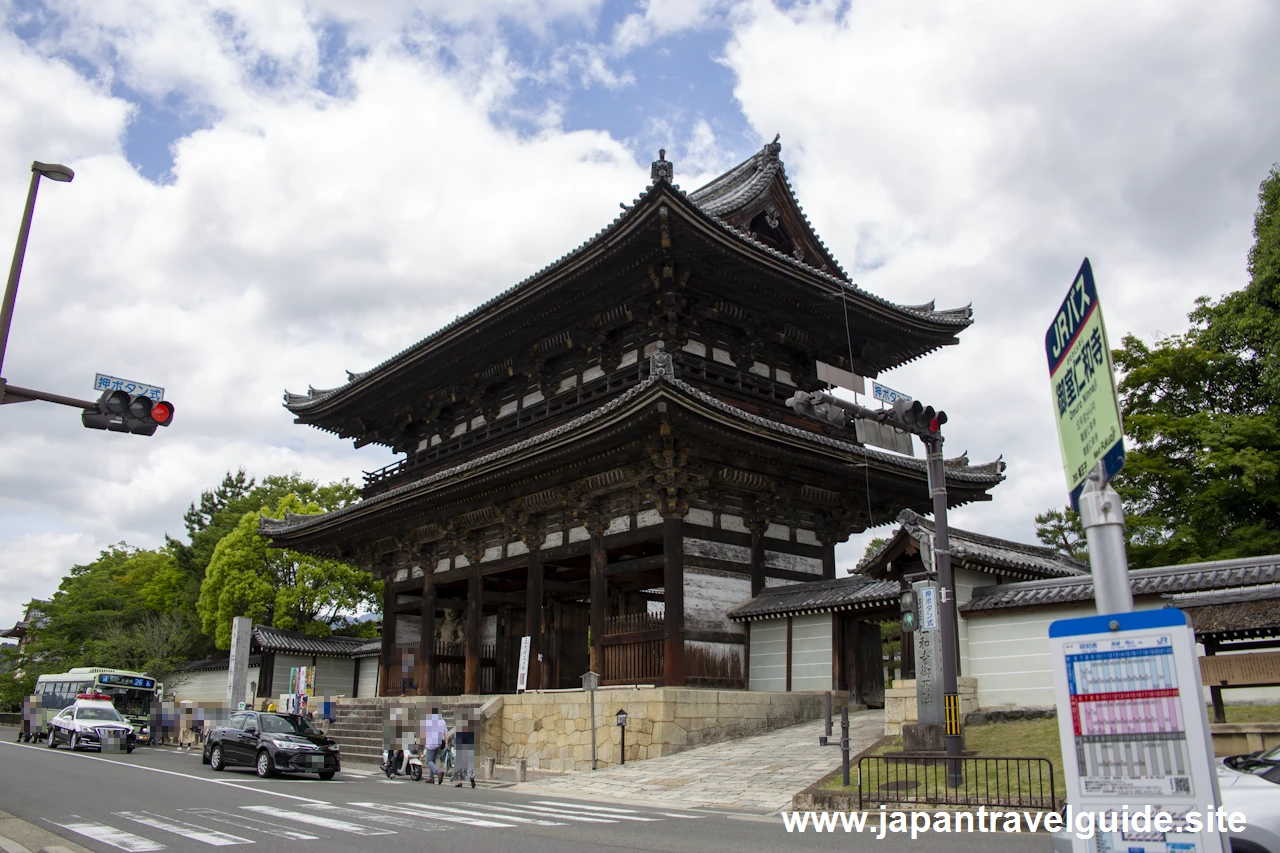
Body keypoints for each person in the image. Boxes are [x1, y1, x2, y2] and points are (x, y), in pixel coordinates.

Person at [421, 708, 447, 783]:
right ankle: (431, 778)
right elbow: (445, 733)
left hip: (431, 742)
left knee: (428, 760)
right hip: (439, 742)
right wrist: (445, 742)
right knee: (433, 760)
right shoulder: (443, 721)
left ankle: (438, 772)